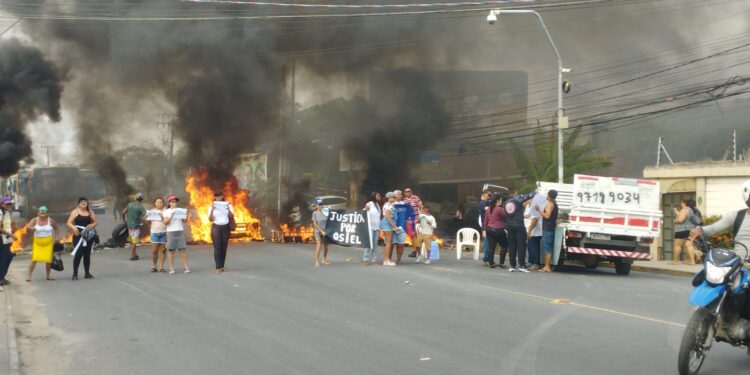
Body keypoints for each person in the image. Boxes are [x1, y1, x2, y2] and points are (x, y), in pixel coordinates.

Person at [690, 179, 750, 253]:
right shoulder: (737, 216)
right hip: (740, 263)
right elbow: (713, 228)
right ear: (747, 195)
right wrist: (700, 230)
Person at [503, 188, 536, 272]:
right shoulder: (517, 199)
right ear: (515, 192)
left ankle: (512, 266)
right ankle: (522, 265)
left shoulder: (505, 202)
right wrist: (535, 191)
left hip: (509, 225)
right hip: (519, 225)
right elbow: (530, 195)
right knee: (521, 245)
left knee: (511, 246)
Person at [25, 206, 59, 282]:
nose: (42, 212)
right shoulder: (34, 220)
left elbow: (56, 228)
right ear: (38, 213)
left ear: (46, 213)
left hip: (48, 243)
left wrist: (56, 237)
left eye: (44, 211)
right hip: (38, 244)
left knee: (48, 260)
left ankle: (48, 275)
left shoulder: (51, 220)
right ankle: (29, 276)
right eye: (41, 211)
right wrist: (30, 228)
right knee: (34, 259)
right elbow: (29, 227)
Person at [67, 197, 97, 280]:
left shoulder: (90, 212)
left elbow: (95, 222)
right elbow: (68, 222)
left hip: (88, 235)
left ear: (87, 203)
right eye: (82, 202)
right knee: (78, 254)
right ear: (79, 203)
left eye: (85, 202)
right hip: (78, 235)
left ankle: (87, 273)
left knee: (87, 254)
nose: (84, 203)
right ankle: (75, 274)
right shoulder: (75, 212)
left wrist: (92, 225)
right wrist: (74, 228)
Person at [162, 195, 190, 274]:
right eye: (172, 202)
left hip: (180, 231)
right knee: (171, 251)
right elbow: (165, 222)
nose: (174, 203)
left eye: (175, 202)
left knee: (183, 251)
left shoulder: (180, 210)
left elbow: (184, 221)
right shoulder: (166, 211)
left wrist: (187, 215)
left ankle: (186, 267)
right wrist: (172, 215)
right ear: (169, 203)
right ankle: (171, 268)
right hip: (171, 232)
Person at [209, 189, 235, 273]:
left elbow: (232, 216)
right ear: (214, 197)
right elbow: (210, 219)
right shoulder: (212, 206)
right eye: (216, 195)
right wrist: (212, 209)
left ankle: (222, 266)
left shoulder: (228, 205)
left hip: (225, 227)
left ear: (222, 196)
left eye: (219, 195)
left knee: (224, 248)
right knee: (217, 248)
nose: (218, 197)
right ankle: (217, 267)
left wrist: (228, 209)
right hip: (216, 227)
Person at [482, 194, 508, 269]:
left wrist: (484, 230)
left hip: (489, 230)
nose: (501, 201)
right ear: (497, 201)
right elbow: (506, 216)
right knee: (504, 246)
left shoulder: (488, 209)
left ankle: (491, 263)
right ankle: (501, 263)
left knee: (491, 247)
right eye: (500, 200)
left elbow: (485, 221)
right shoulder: (499, 209)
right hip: (499, 230)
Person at [536, 190, 559, 272]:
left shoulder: (549, 204)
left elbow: (547, 216)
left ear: (549, 196)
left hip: (547, 228)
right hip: (551, 228)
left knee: (547, 248)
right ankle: (547, 266)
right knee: (548, 247)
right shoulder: (555, 204)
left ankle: (547, 266)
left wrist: (539, 210)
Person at [525, 192, 548, 270]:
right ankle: (531, 261)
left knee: (534, 247)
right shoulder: (531, 206)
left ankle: (535, 263)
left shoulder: (535, 206)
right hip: (533, 229)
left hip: (534, 230)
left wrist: (529, 231)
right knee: (531, 246)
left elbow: (534, 219)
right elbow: (529, 215)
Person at [672, 199, 697, 265]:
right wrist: (677, 213)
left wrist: (674, 221)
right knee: (689, 246)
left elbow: (680, 220)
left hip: (681, 230)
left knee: (678, 246)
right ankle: (692, 261)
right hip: (690, 230)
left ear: (684, 203)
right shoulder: (691, 210)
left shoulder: (684, 210)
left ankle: (675, 261)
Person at [392, 190, 415, 264]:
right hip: (392, 227)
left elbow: (410, 212)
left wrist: (413, 223)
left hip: (402, 227)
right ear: (394, 196)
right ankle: (388, 259)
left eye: (400, 194)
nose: (400, 195)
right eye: (398, 194)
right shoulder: (390, 204)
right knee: (391, 244)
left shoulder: (405, 204)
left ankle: (398, 259)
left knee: (401, 244)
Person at [122, 192, 146, 261]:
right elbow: (145, 215)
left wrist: (124, 219)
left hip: (129, 225)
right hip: (136, 226)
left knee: (132, 239)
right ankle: (132, 255)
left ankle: (134, 254)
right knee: (134, 241)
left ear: (135, 198)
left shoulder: (129, 204)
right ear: (142, 200)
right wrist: (141, 219)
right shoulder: (141, 207)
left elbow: (123, 213)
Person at [0, 197, 18, 287]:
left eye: (10, 204)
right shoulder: (0, 212)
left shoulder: (6, 213)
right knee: (3, 258)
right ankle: (1, 278)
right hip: (2, 239)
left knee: (8, 257)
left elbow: (7, 226)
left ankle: (2, 277)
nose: (8, 205)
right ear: (1, 204)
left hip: (7, 239)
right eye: (6, 204)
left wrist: (13, 229)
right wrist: (11, 235)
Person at [402, 187, 424, 258]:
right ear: (404, 193)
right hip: (408, 221)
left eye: (409, 191)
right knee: (412, 236)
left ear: (411, 192)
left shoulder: (416, 198)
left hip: (415, 220)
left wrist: (421, 217)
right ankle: (416, 250)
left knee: (415, 235)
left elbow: (421, 207)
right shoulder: (404, 200)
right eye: (406, 191)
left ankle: (417, 251)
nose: (408, 192)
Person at [148, 197, 168, 273]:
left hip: (164, 233)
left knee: (163, 251)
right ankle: (154, 266)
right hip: (154, 233)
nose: (159, 203)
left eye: (161, 202)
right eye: (158, 202)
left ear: (163, 203)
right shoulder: (152, 211)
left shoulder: (166, 211)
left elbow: (167, 222)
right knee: (154, 251)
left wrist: (161, 216)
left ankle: (161, 267)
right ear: (155, 203)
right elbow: (147, 222)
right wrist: (147, 216)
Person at [363, 192, 382, 264]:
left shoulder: (377, 205)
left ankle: (374, 259)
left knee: (375, 243)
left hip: (376, 227)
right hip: (370, 226)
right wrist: (366, 209)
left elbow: (378, 216)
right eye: (378, 195)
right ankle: (365, 258)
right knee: (368, 243)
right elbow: (364, 212)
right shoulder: (369, 203)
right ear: (374, 196)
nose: (379, 196)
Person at [380, 192, 398, 267]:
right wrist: (395, 227)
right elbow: (388, 217)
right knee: (388, 243)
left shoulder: (389, 205)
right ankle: (386, 260)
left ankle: (387, 259)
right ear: (389, 198)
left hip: (387, 224)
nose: (394, 199)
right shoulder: (388, 206)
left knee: (389, 242)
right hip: (387, 224)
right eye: (393, 197)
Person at [311, 198, 329, 267]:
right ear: (316, 206)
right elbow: (315, 224)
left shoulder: (326, 212)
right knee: (319, 245)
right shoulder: (314, 213)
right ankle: (317, 260)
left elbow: (330, 219)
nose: (321, 206)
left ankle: (324, 259)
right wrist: (321, 231)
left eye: (321, 204)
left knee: (326, 246)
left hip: (325, 231)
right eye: (319, 204)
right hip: (318, 231)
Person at [479, 190, 493, 267]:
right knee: (487, 243)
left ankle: (489, 259)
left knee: (490, 243)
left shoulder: (486, 202)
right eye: (489, 195)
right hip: (486, 226)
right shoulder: (482, 203)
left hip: (489, 225)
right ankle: (486, 259)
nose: (490, 196)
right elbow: (487, 209)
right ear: (484, 195)